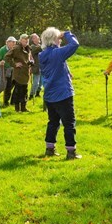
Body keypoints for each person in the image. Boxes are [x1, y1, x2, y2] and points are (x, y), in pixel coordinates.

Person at [39, 28, 81, 159]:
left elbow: (55, 66)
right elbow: (75, 44)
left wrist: (67, 72)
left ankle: (49, 148)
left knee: (53, 122)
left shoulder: (42, 54)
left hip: (49, 94)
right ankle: (71, 152)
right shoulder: (57, 53)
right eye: (59, 38)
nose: (61, 40)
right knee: (69, 123)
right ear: (54, 39)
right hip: (63, 93)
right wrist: (67, 33)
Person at [6, 34, 34, 112]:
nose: (26, 43)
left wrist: (31, 62)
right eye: (25, 41)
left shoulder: (28, 48)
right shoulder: (16, 48)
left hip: (26, 72)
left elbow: (29, 58)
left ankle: (23, 107)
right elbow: (7, 57)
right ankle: (17, 108)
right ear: (21, 40)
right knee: (18, 91)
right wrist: (15, 64)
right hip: (19, 73)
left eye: (27, 41)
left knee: (25, 91)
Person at [0, 36, 17, 107]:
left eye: (15, 42)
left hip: (12, 69)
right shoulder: (2, 50)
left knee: (10, 86)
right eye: (13, 42)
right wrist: (0, 62)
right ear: (8, 42)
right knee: (2, 86)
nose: (14, 44)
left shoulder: (14, 49)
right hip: (3, 69)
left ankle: (6, 101)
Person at [28, 33, 43, 101]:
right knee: (36, 83)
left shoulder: (40, 46)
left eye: (38, 37)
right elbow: (39, 49)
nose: (38, 38)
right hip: (36, 67)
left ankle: (37, 93)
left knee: (41, 83)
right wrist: (46, 43)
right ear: (33, 40)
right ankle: (31, 95)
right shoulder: (32, 47)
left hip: (42, 67)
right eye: (36, 37)